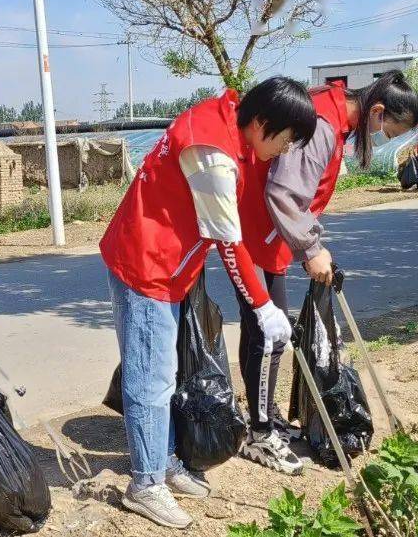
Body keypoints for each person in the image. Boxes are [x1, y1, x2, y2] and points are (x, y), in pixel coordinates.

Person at [100, 77, 317, 528]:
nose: (283, 150)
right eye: (285, 139)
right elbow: (229, 243)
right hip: (146, 264)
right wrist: (263, 306)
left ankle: (162, 462)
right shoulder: (213, 157)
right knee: (150, 379)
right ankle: (145, 484)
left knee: (166, 372)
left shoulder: (228, 118)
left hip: (170, 264)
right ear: (261, 123)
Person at [237, 70, 418, 466]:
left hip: (267, 237)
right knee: (269, 338)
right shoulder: (323, 123)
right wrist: (310, 247)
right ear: (377, 111)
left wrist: (311, 245)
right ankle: (258, 432)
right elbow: (283, 192)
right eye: (393, 129)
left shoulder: (332, 113)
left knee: (262, 334)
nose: (390, 138)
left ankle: (264, 418)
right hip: (261, 236)